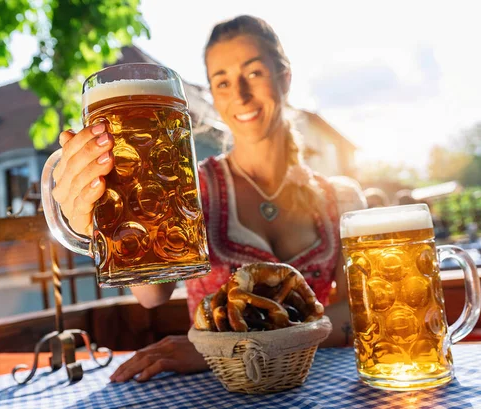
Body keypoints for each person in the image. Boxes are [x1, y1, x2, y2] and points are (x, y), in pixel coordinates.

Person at [51, 15, 367, 383]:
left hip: (317, 381)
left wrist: (225, 346)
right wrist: (84, 221)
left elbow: (359, 313)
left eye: (254, 73)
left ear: (285, 78)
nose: (240, 94)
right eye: (223, 81)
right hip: (223, 388)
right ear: (212, 95)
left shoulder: (339, 198)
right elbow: (151, 295)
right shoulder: (189, 189)